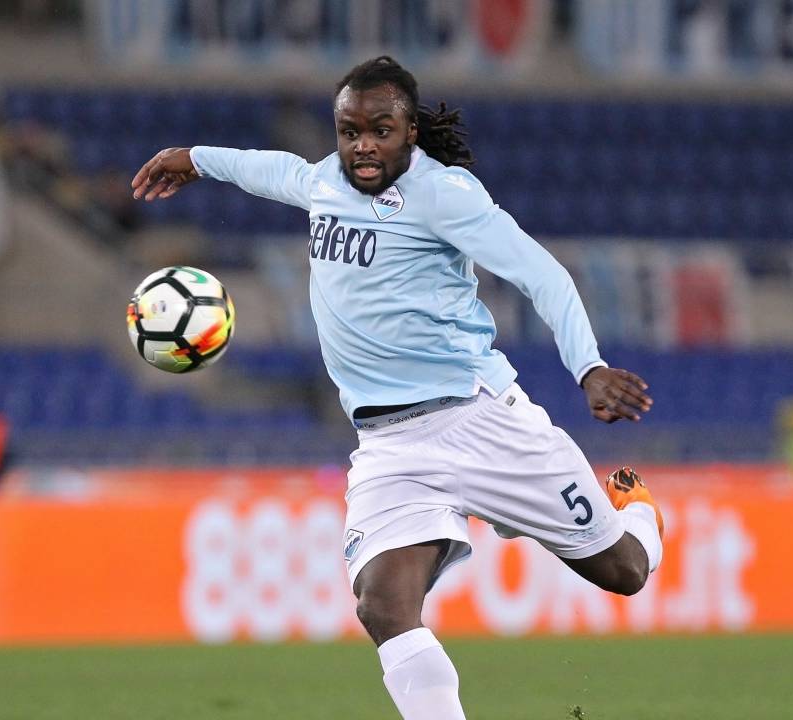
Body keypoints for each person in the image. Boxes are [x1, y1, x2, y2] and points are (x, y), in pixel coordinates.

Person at [131, 56, 664, 719]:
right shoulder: (325, 183)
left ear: (410, 131)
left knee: (624, 572)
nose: (362, 146)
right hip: (389, 447)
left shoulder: (445, 194)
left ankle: (640, 511)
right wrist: (194, 158)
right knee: (382, 605)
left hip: (479, 421)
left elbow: (542, 275)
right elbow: (268, 170)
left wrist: (588, 367)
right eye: (349, 131)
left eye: (380, 131)